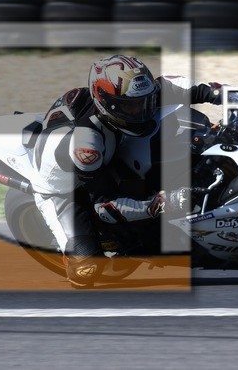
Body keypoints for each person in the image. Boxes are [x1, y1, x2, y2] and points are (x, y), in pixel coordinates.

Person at [33, 54, 225, 288]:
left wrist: (223, 93)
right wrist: (158, 205)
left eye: (144, 102)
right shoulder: (86, 145)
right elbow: (104, 206)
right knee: (86, 270)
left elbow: (173, 86)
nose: (140, 111)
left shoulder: (129, 98)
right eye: (130, 106)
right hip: (65, 190)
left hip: (106, 152)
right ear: (107, 104)